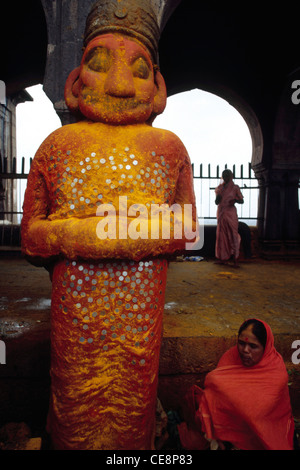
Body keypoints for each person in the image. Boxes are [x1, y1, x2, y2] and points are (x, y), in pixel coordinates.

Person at [21, 0, 198, 450]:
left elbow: (187, 228)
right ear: (74, 80)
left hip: (139, 320)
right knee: (73, 403)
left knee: (132, 406)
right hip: (75, 317)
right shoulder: (58, 146)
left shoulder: (168, 149)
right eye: (99, 65)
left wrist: (102, 234)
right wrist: (85, 234)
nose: (120, 84)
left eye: (139, 70)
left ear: (158, 87)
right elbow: (30, 235)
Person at [178, 319, 295, 450]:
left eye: (253, 346)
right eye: (241, 343)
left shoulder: (275, 373)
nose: (245, 350)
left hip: (260, 435)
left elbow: (257, 413)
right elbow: (216, 394)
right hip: (226, 432)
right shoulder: (231, 357)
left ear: (265, 347)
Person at [215, 169, 244, 266]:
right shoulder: (220, 188)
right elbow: (216, 202)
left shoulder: (235, 188)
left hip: (231, 213)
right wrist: (218, 197)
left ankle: (236, 258)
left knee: (233, 234)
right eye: (224, 175)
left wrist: (234, 200)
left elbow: (241, 200)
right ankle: (223, 258)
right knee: (222, 235)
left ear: (231, 176)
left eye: (228, 175)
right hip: (222, 213)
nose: (226, 177)